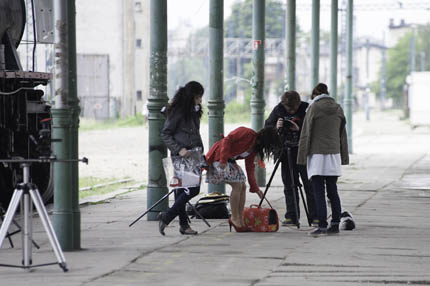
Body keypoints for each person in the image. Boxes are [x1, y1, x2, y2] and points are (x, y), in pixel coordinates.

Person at [297, 83, 349, 237]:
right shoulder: (338, 108)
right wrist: (343, 156)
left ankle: (322, 225)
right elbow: (342, 134)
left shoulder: (313, 108)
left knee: (318, 191)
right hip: (333, 154)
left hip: (317, 155)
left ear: (314, 95)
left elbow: (306, 133)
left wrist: (301, 157)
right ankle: (335, 224)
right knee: (333, 190)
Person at [205, 126, 280, 232]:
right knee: (237, 185)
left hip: (229, 160)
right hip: (219, 157)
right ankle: (234, 218)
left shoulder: (254, 149)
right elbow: (227, 140)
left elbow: (250, 168)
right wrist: (223, 159)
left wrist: (256, 189)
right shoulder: (246, 132)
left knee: (243, 186)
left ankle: (240, 218)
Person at [158, 81, 205, 236]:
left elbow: (195, 133)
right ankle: (168, 216)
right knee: (192, 188)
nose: (200, 101)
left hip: (194, 154)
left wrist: (201, 154)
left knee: (181, 191)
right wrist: (179, 149)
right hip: (182, 155)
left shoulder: (192, 111)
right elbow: (165, 133)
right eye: (198, 97)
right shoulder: (177, 111)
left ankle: (183, 225)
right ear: (192, 96)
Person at [265, 90, 317, 227]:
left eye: (294, 109)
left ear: (299, 103)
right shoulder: (279, 109)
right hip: (284, 152)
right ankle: (292, 216)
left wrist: (299, 129)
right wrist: (276, 127)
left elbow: (315, 128)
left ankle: (315, 216)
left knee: (309, 184)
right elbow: (267, 126)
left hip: (303, 152)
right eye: (289, 109)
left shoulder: (306, 108)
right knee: (289, 185)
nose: (292, 111)